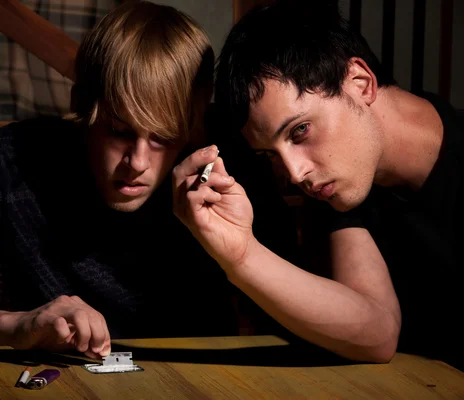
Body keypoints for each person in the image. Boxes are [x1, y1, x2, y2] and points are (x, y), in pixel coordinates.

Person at [0, 1, 297, 359]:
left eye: (164, 137)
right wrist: (18, 326)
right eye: (119, 130)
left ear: (194, 128)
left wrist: (242, 253)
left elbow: (306, 316)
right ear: (82, 106)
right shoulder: (12, 160)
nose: (137, 162)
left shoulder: (229, 168)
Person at [173, 0, 462, 368]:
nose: (294, 174)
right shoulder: (343, 188)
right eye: (271, 154)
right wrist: (241, 255)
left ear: (361, 83)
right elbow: (377, 334)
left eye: (300, 130)